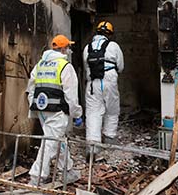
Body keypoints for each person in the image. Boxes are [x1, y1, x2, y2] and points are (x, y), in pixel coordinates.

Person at [26, 34, 83, 186]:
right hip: (57, 110)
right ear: (63, 49)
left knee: (57, 139)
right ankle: (36, 176)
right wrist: (77, 114)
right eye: (68, 47)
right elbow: (71, 95)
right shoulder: (65, 66)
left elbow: (31, 88)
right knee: (50, 141)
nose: (69, 50)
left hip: (42, 109)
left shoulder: (40, 65)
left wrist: (34, 106)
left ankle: (67, 170)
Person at [83, 21, 124, 149]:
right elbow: (121, 67)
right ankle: (109, 137)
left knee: (93, 112)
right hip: (109, 80)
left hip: (93, 83)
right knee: (112, 110)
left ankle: (93, 146)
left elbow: (86, 68)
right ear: (110, 34)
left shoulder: (87, 48)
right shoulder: (114, 46)